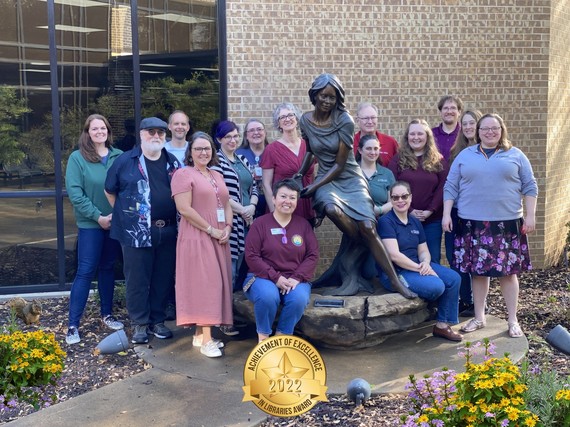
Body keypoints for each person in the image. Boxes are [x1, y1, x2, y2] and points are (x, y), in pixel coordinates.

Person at [296, 73, 414, 299]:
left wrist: (312, 187)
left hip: (348, 176)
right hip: (326, 179)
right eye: (323, 96)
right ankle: (353, 260)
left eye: (332, 97)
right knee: (331, 209)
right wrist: (301, 173)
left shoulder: (345, 120)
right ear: (315, 95)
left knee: (368, 228)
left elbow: (340, 165)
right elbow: (311, 151)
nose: (327, 101)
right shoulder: (305, 120)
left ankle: (395, 280)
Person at [443, 113, 538, 338]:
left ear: (502, 130)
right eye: (485, 128)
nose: (490, 132)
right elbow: (450, 186)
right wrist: (447, 214)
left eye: (494, 128)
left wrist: (531, 216)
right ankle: (479, 317)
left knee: (508, 274)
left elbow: (530, 185)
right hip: (472, 224)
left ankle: (513, 320)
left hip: (507, 224)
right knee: (478, 274)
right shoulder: (465, 155)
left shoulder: (516, 155)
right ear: (478, 132)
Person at [105, 117, 181, 344]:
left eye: (160, 132)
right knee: (137, 279)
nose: (156, 136)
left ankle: (157, 321)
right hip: (135, 232)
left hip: (167, 230)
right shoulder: (125, 161)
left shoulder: (173, 162)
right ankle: (139, 323)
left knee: (162, 278)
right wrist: (128, 216)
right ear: (141, 134)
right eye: (151, 132)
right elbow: (110, 191)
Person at [171, 132, 233, 357]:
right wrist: (210, 229)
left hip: (219, 236)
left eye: (207, 149)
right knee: (207, 285)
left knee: (214, 282)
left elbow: (226, 203)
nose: (203, 152)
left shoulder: (216, 174)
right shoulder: (183, 174)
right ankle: (208, 341)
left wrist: (227, 227)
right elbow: (184, 209)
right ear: (190, 152)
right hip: (197, 236)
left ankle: (200, 334)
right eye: (198, 149)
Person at [65, 114, 124, 345]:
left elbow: (126, 189)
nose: (99, 132)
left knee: (108, 268)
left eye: (103, 128)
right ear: (87, 132)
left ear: (108, 131)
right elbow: (75, 194)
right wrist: (98, 217)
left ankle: (106, 314)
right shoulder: (77, 158)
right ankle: (73, 325)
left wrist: (115, 216)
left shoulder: (118, 156)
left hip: (114, 223)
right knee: (86, 270)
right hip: (91, 224)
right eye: (94, 128)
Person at [378, 181, 462, 341]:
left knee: (453, 278)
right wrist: (420, 268)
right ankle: (434, 307)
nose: (400, 200)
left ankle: (442, 326)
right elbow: (394, 255)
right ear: (391, 200)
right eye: (395, 198)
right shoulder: (386, 222)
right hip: (397, 273)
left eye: (404, 196)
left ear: (410, 197)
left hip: (417, 266)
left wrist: (425, 263)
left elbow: (423, 250)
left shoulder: (414, 221)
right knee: (437, 286)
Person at [244, 178, 319, 342]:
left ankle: (281, 339)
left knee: (298, 298)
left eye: (292, 198)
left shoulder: (304, 225)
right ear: (274, 199)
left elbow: (312, 255)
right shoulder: (260, 224)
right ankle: (263, 339)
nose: (288, 201)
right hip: (261, 277)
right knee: (268, 296)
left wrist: (297, 277)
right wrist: (276, 277)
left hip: (294, 278)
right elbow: (251, 255)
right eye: (283, 196)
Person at [212, 120, 259, 336]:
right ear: (219, 139)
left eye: (235, 136)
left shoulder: (241, 159)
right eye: (228, 136)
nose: (232, 140)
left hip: (247, 221)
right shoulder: (216, 162)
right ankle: (222, 319)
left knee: (239, 269)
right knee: (227, 272)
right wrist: (241, 210)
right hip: (229, 222)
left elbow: (255, 186)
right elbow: (218, 193)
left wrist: (251, 207)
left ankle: (232, 314)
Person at [388, 119, 448, 264]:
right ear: (407, 137)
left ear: (427, 137)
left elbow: (444, 187)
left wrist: (431, 210)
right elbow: (392, 187)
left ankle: (433, 286)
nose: (416, 137)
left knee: (432, 259)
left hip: (432, 221)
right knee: (407, 259)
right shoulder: (398, 160)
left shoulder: (438, 160)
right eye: (412, 134)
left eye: (420, 134)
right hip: (404, 220)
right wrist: (410, 210)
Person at [446, 110, 483, 316]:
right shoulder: (457, 151)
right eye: (465, 124)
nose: (468, 127)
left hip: (479, 215)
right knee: (456, 259)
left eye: (472, 123)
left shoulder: (488, 151)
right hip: (457, 212)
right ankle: (465, 301)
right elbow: (451, 184)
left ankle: (479, 304)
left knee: (477, 259)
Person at [261, 102, 315, 224]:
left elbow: (311, 176)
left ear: (297, 118)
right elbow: (266, 184)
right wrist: (274, 212)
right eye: (282, 117)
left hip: (307, 206)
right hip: (283, 208)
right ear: (278, 123)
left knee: (305, 241)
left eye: (290, 115)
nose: (287, 119)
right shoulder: (272, 149)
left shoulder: (309, 145)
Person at [357, 133, 395, 279]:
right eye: (368, 149)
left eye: (376, 148)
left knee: (373, 271)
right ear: (360, 150)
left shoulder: (386, 173)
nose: (373, 152)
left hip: (381, 226)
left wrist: (378, 210)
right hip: (357, 226)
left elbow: (394, 200)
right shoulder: (352, 173)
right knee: (362, 270)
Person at [237, 118, 269, 218]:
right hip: (246, 206)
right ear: (246, 135)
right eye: (251, 130)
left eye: (259, 129)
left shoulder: (273, 152)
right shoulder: (238, 154)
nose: (256, 133)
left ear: (265, 132)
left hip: (270, 203)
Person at [431, 95, 463, 161]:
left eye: (453, 108)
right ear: (440, 112)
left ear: (459, 112)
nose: (449, 112)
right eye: (445, 108)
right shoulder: (431, 134)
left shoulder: (464, 133)